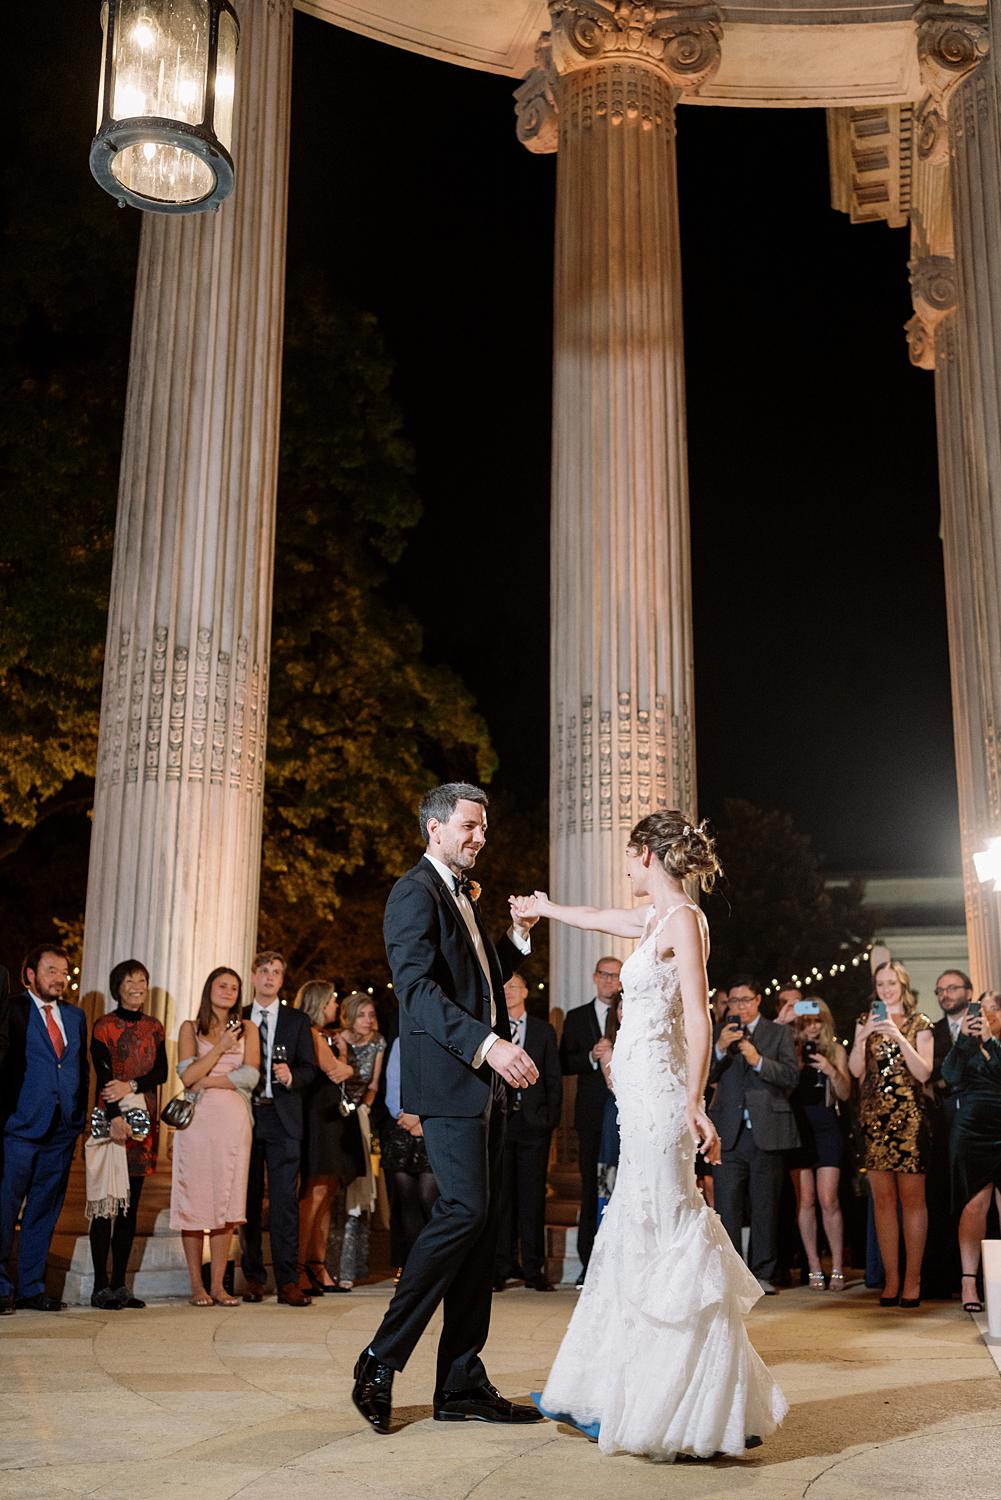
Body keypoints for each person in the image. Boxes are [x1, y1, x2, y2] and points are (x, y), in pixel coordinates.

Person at [514, 811, 787, 1460]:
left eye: (629, 856)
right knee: (635, 1231)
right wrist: (546, 907)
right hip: (632, 1102)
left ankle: (692, 1406)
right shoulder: (653, 921)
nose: (625, 868)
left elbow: (697, 1012)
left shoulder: (685, 922)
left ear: (647, 854)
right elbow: (594, 915)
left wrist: (694, 1101)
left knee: (666, 1228)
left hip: (664, 1101)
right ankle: (617, 1390)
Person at [352, 781, 542, 1436]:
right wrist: (487, 1046)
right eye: (468, 826)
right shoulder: (414, 892)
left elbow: (483, 974)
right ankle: (381, 1356)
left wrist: (515, 937)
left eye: (483, 827)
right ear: (434, 828)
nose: (479, 837)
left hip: (483, 1084)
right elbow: (417, 992)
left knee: (482, 1226)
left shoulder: (461, 897)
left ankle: (460, 1380)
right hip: (452, 1078)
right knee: (463, 1209)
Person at [0, 945, 89, 1314]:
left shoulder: (75, 1016)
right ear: (31, 974)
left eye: (63, 972)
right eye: (51, 970)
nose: (59, 978)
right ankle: (2, 1287)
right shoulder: (14, 1009)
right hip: (19, 1127)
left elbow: (79, 1069)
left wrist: (79, 1119)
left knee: (44, 1209)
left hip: (61, 1130)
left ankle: (33, 1287)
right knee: (4, 1209)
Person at [169, 968, 260, 1305]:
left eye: (234, 987)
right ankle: (197, 1286)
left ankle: (219, 1286)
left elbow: (250, 1075)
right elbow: (186, 1077)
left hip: (234, 1123)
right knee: (195, 1200)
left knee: (226, 1202)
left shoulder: (248, 1028)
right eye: (222, 985)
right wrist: (220, 1048)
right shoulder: (190, 1028)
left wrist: (207, 1080)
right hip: (197, 1124)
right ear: (209, 989)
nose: (228, 991)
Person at [849, 959, 933, 1306]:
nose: (886, 988)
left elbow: (924, 1073)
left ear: (903, 984)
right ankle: (892, 1280)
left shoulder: (920, 1023)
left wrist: (898, 1036)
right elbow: (855, 1070)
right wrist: (864, 1036)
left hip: (909, 1119)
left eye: (891, 983)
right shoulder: (863, 1021)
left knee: (912, 1201)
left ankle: (913, 1280)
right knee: (882, 1203)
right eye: (880, 983)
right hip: (874, 1119)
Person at [710, 976, 800, 1295]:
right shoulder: (717, 1034)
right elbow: (702, 1075)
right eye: (734, 1001)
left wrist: (758, 1060)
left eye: (746, 1000)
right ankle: (732, 1275)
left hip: (767, 1131)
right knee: (727, 1206)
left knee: (765, 1206)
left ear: (758, 1000)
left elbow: (791, 1075)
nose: (740, 1007)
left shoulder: (779, 1033)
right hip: (728, 1134)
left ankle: (762, 1272)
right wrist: (720, 1050)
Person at [89, 959, 168, 1308]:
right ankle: (99, 1286)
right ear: (117, 985)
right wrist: (113, 1119)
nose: (137, 985)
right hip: (109, 1118)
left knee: (130, 1206)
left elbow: (162, 1071)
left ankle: (121, 1284)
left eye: (143, 980)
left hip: (143, 1123)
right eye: (130, 980)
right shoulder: (104, 1026)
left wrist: (133, 1083)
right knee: (105, 1203)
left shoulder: (155, 1026)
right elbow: (104, 1077)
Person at [240, 950, 317, 1307]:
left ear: (282, 980)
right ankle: (253, 1278)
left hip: (283, 1118)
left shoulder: (296, 1021)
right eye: (264, 971)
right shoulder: (238, 1019)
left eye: (277, 972)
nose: (270, 977)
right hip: (245, 1117)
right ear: (254, 976)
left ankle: (288, 1280)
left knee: (286, 1202)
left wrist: (293, 1076)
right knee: (249, 1200)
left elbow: (311, 1070)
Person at [493, 972, 562, 1292]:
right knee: (502, 1198)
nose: (508, 993)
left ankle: (534, 1269)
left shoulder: (543, 1031)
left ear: (525, 991)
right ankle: (501, 1267)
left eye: (513, 987)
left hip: (534, 1125)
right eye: (503, 988)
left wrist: (549, 1120)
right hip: (501, 1123)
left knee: (533, 1199)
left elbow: (553, 1079)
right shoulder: (492, 1031)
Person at [559, 956, 623, 1284]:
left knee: (623, 1187)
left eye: (617, 976)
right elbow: (564, 1062)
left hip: (627, 1115)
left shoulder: (633, 1014)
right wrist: (590, 1057)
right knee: (591, 1188)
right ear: (595, 977)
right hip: (590, 1115)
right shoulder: (577, 1017)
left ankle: (620, 1261)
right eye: (606, 975)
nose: (611, 982)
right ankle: (589, 1261)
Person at [294, 980, 358, 1297]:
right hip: (317, 1118)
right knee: (314, 1193)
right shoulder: (309, 1032)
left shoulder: (322, 1034)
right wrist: (346, 1061)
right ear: (319, 1002)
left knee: (328, 1190)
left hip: (332, 1118)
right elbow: (335, 1071)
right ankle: (300, 1266)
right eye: (333, 1000)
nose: (336, 1006)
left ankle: (318, 1264)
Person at [941, 991, 1001, 1313]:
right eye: (981, 1011)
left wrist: (991, 1043)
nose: (985, 1016)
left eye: (992, 1010)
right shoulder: (965, 1044)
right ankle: (968, 1281)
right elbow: (949, 1077)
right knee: (974, 1204)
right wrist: (964, 1041)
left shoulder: (995, 1044)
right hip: (971, 1128)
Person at [786, 999, 850, 1290]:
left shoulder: (836, 1050)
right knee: (806, 1200)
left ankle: (836, 1266)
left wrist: (831, 1070)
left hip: (827, 1126)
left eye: (816, 1021)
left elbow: (846, 1094)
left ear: (825, 1022)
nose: (812, 1027)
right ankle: (813, 1266)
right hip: (799, 1128)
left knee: (829, 1199)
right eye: (805, 1022)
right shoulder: (790, 1049)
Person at [333, 991, 386, 1290]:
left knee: (358, 1192)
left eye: (371, 1015)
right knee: (336, 1191)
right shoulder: (337, 1039)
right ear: (350, 1016)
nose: (368, 1021)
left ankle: (351, 1267)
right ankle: (329, 1265)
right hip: (334, 1115)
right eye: (362, 1015)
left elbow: (374, 1085)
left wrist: (363, 1108)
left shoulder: (378, 1042)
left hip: (360, 1116)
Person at [381, 1035, 438, 1279]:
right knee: (407, 1199)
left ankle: (437, 1263)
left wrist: (424, 1118)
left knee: (429, 1196)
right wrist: (406, 1116)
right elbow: (393, 1085)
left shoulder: (445, 1038)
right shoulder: (400, 1042)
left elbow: (444, 1084)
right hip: (404, 1128)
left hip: (434, 1126)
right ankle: (414, 1268)